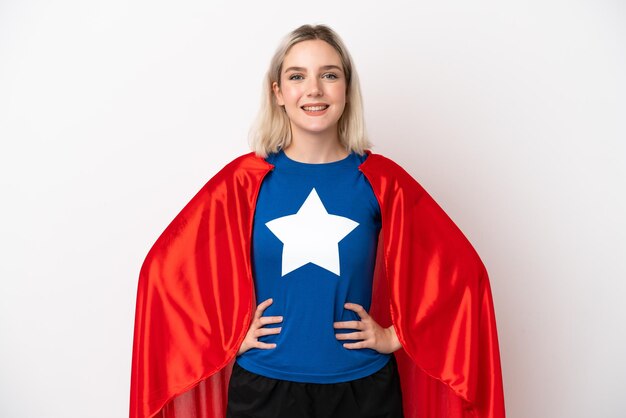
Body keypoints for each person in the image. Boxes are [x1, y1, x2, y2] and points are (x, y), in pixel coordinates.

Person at [130, 24, 505, 418]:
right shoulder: (243, 182)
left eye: (329, 74)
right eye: (297, 76)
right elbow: (164, 274)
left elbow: (464, 276)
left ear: (346, 88)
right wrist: (226, 338)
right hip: (265, 391)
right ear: (277, 92)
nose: (314, 89)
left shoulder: (381, 181)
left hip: (364, 392)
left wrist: (395, 335)